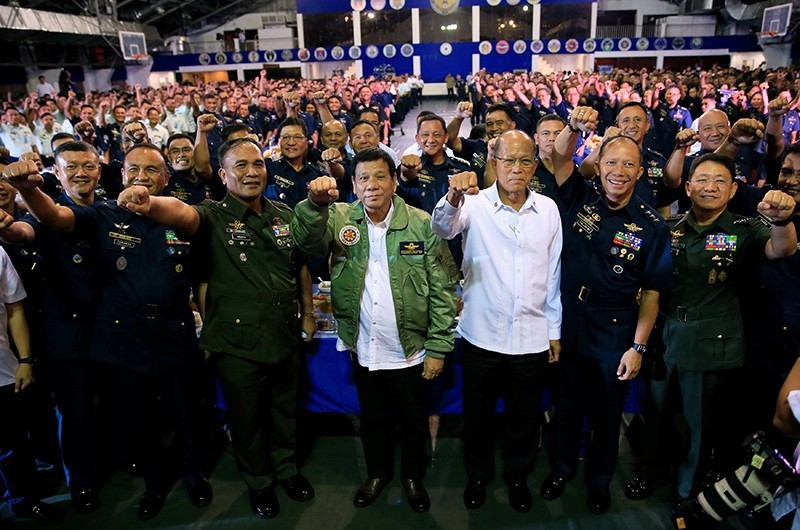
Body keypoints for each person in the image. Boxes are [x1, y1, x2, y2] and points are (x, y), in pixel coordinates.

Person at [2, 144, 212, 521]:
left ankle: (195, 477)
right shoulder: (103, 215)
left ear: (166, 178)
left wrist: (150, 203)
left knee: (185, 413)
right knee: (140, 417)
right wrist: (29, 191)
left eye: (152, 171)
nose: (142, 178)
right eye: (134, 170)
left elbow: (190, 228)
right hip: (125, 336)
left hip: (174, 331)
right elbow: (55, 218)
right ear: (121, 174)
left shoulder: (180, 215)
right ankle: (154, 483)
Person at [116, 137, 316, 521]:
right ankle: (260, 482)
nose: (251, 172)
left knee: (284, 411)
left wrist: (307, 313)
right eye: (240, 166)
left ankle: (287, 472)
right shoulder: (210, 215)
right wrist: (150, 202)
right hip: (237, 340)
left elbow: (300, 267)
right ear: (223, 175)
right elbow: (179, 214)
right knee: (248, 419)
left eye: (257, 164)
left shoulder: (283, 213)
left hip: (283, 333)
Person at [291, 147, 458, 512]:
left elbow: (444, 288)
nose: (372, 185)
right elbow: (306, 240)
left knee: (414, 420)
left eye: (380, 176)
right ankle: (378, 473)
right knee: (372, 419)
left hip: (410, 348)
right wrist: (313, 205)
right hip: (362, 345)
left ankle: (413, 477)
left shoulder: (420, 223)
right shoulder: (338, 218)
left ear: (395, 181)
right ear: (352, 184)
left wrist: (439, 347)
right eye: (363, 178)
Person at [626, 153, 797, 506]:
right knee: (655, 415)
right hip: (665, 338)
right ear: (687, 187)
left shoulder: (746, 230)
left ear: (733, 189)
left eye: (720, 181)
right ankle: (651, 471)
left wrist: (784, 220)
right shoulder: (669, 228)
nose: (710, 187)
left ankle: (688, 489)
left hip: (711, 344)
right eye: (702, 180)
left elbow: (781, 248)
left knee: (699, 426)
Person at [540, 106, 674, 515]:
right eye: (610, 161)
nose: (618, 170)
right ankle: (561, 468)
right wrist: (574, 128)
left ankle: (599, 481)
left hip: (616, 325)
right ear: (597, 166)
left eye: (628, 164)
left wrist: (638, 347)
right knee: (566, 402)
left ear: (639, 171)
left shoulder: (652, 225)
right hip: (569, 317)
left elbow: (652, 292)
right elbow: (558, 158)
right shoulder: (580, 195)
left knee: (608, 410)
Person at [431, 130, 563, 513]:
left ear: (535, 166)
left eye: (525, 161)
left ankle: (518, 477)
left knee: (524, 419)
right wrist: (453, 194)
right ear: (494, 163)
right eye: (508, 161)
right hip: (481, 335)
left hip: (532, 336)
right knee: (478, 415)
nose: (516, 169)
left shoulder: (549, 210)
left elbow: (553, 274)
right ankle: (477, 476)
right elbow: (442, 227)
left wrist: (554, 330)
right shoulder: (474, 204)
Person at [0, 141, 103, 513]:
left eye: (87, 166)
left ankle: (120, 461)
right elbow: (23, 233)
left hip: (112, 330)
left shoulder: (110, 211)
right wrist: (8, 228)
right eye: (70, 167)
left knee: (115, 405)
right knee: (74, 413)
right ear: (56, 174)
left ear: (99, 169)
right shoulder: (44, 213)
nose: (80, 173)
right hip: (67, 335)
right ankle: (82, 483)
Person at [0, 245, 66, 524]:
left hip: (3, 369)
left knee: (13, 443)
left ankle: (25, 501)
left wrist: (25, 359)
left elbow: (15, 309)